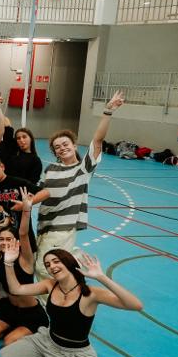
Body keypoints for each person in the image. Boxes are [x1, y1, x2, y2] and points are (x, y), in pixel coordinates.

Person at [0, 249, 143, 357]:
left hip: (74, 356)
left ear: (69, 263)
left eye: (56, 261)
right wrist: (8, 262)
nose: (52, 266)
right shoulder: (50, 285)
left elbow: (136, 305)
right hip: (47, 341)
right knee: (6, 356)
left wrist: (101, 277)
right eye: (48, 264)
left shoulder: (91, 293)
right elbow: (16, 289)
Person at [30, 91, 125, 278]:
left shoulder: (83, 169)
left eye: (65, 144)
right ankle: (74, 257)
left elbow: (97, 141)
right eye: (57, 147)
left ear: (74, 146)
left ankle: (72, 267)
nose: (62, 148)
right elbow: (41, 192)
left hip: (62, 228)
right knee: (40, 266)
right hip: (44, 225)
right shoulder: (51, 169)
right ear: (55, 153)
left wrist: (108, 111)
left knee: (44, 269)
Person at [0, 198, 48, 346]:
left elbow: (23, 233)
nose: (4, 243)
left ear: (17, 241)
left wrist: (26, 210)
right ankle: (13, 328)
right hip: (8, 308)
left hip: (30, 312)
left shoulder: (25, 258)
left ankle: (34, 333)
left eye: (8, 239)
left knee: (8, 342)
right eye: (1, 240)